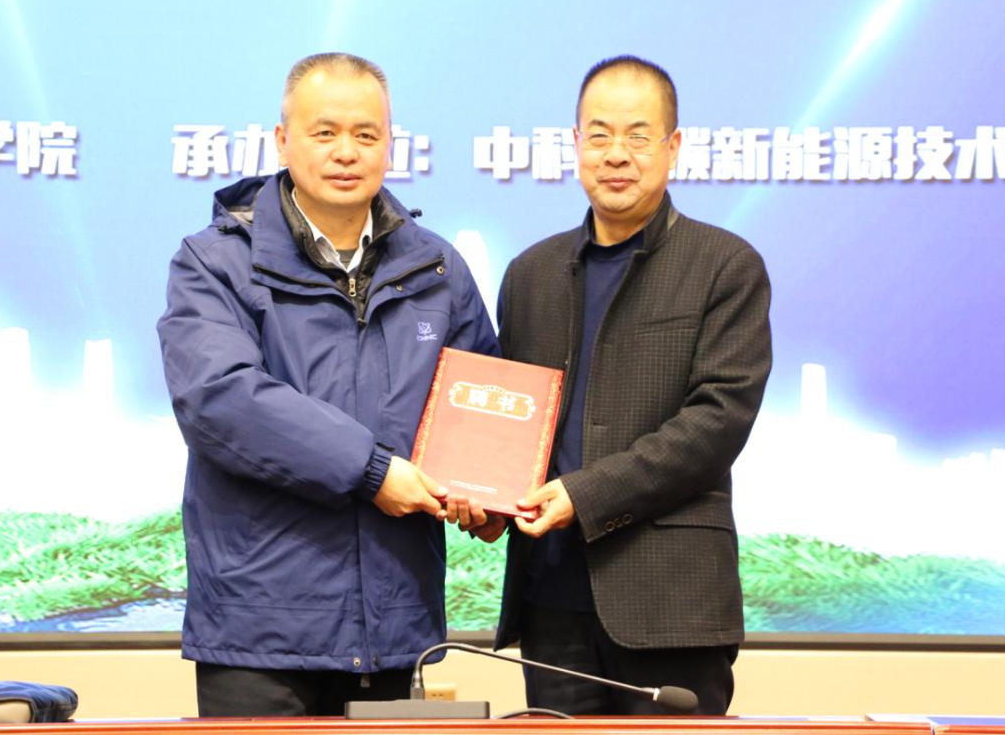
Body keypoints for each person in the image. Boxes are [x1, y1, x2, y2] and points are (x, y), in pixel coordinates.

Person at [156, 52, 498, 717]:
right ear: (282, 140)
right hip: (260, 632)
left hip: (395, 626)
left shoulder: (437, 269)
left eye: (366, 134)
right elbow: (220, 398)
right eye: (325, 132)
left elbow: (480, 403)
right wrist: (373, 471)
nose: (347, 152)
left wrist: (488, 498)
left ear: (390, 145)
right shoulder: (216, 262)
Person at [484, 55, 772, 715]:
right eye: (600, 134)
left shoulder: (724, 266)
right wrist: (487, 497)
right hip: (551, 602)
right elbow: (511, 419)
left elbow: (717, 421)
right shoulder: (530, 274)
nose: (617, 154)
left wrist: (583, 495)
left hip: (671, 606)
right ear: (575, 144)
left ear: (673, 146)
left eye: (638, 135)